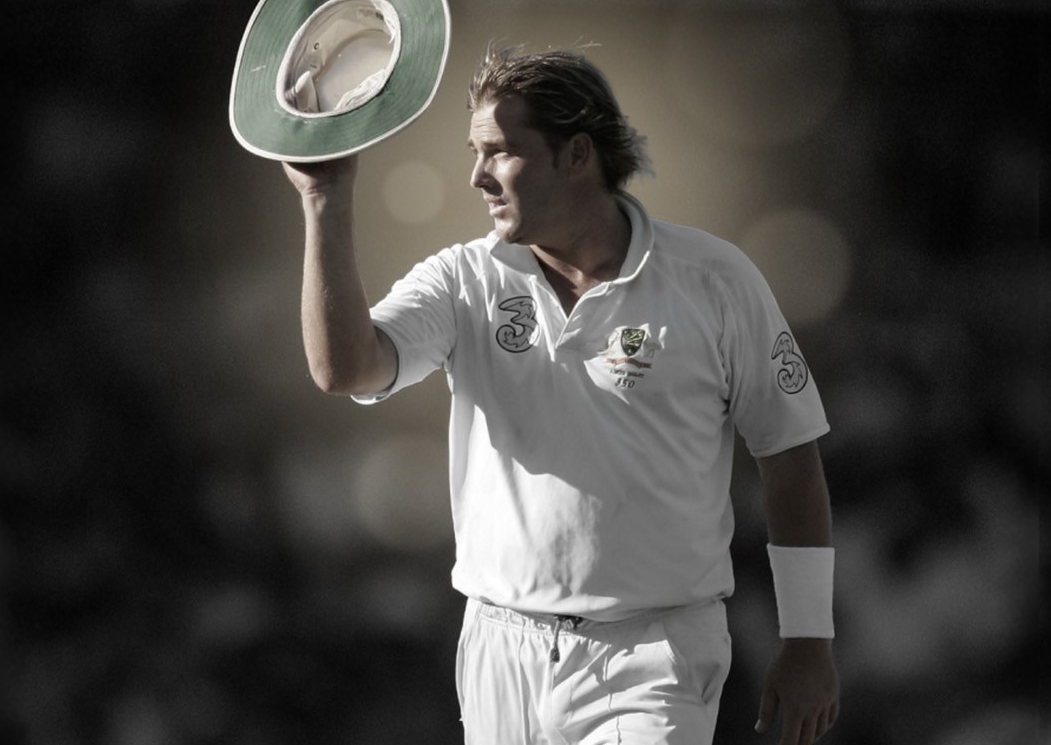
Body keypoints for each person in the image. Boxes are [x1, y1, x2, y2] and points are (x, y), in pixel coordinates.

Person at [282, 43, 840, 744]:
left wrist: (809, 641)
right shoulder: (461, 279)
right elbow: (344, 369)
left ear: (577, 154)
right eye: (474, 152)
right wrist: (324, 199)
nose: (477, 176)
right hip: (499, 646)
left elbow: (789, 456)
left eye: (500, 152)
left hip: (652, 653)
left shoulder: (715, 279)